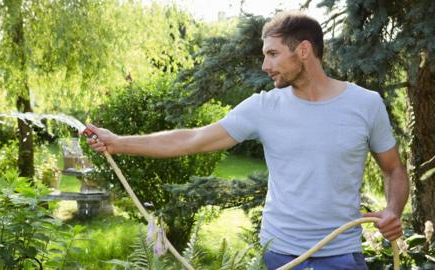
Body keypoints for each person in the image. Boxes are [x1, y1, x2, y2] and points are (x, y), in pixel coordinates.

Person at [86, 11, 409, 270]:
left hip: (341, 253)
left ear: (304, 50)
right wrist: (119, 142)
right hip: (280, 254)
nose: (265, 65)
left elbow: (393, 170)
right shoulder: (263, 107)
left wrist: (392, 209)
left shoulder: (365, 104)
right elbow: (193, 139)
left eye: (273, 54)